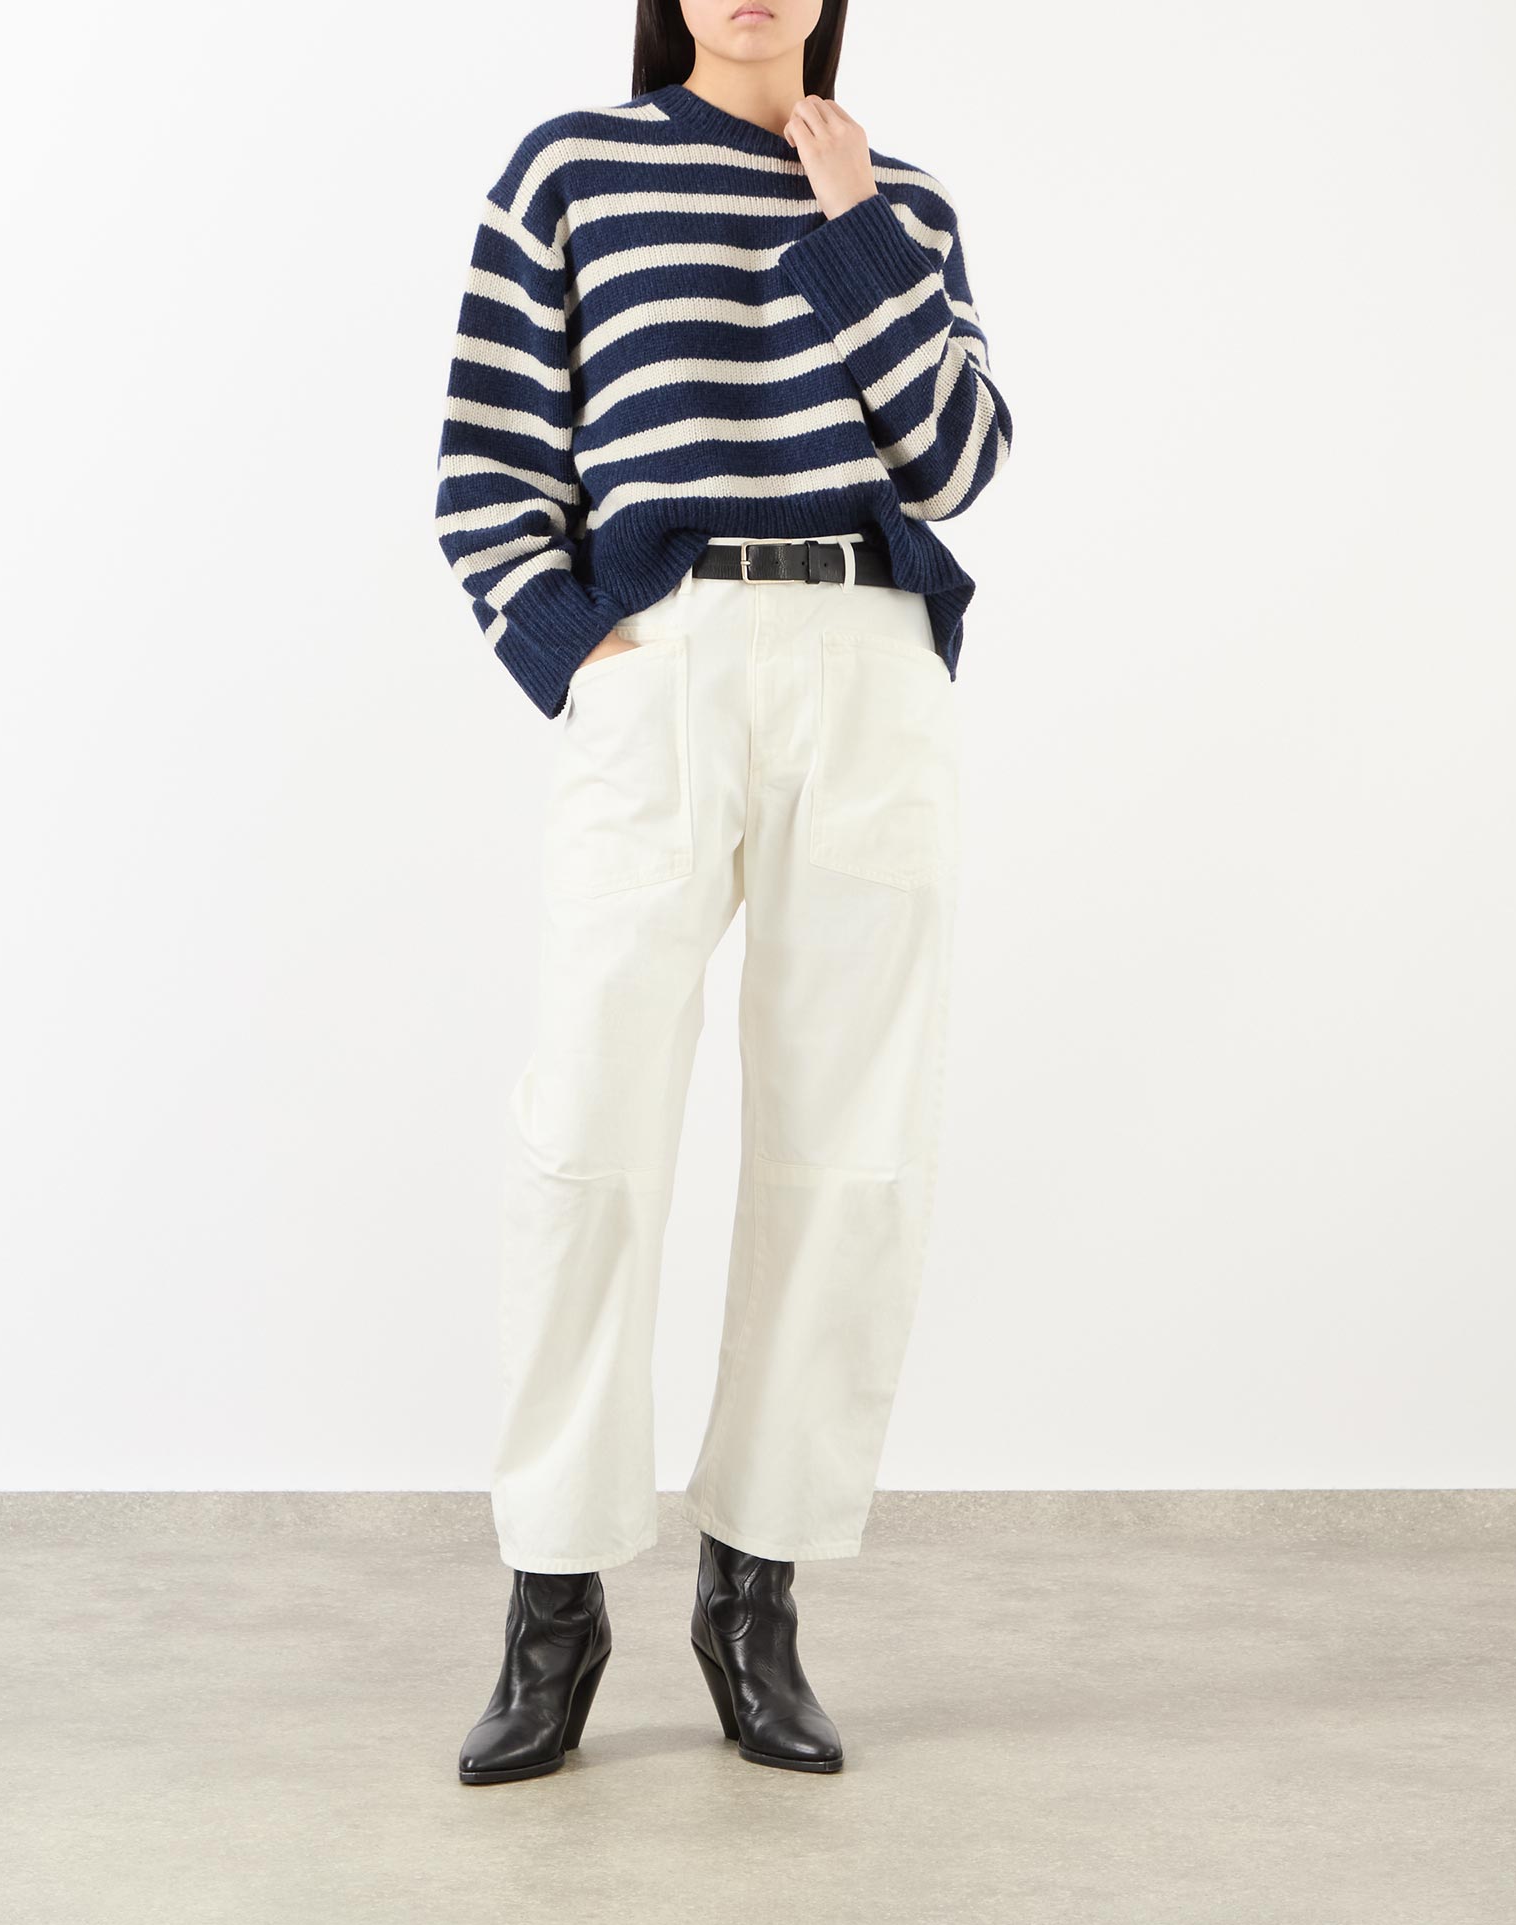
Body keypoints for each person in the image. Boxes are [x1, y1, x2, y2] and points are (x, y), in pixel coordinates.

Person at [432, 0, 1012, 1784]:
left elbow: (960, 462)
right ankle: (554, 1604)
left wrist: (853, 227)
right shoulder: (574, 170)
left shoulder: (899, 199)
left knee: (850, 1145)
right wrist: (578, 651)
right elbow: (489, 459)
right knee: (587, 1135)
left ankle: (753, 1599)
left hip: (867, 663)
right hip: (661, 667)